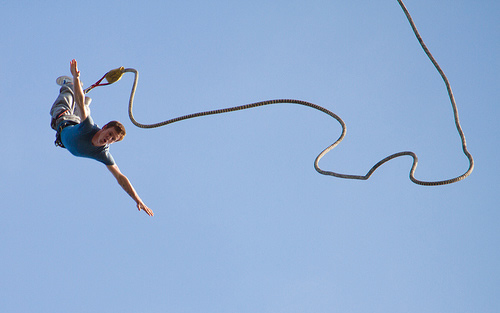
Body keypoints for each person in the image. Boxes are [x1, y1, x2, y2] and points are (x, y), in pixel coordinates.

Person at [50, 59, 154, 216]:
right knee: (71, 100)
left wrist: (138, 199)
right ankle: (68, 84)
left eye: (113, 140)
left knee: (81, 110)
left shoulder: (102, 153)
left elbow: (120, 178)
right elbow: (77, 98)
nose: (109, 139)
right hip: (64, 118)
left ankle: (86, 103)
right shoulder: (89, 127)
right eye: (110, 134)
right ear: (104, 127)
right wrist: (76, 78)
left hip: (71, 126)